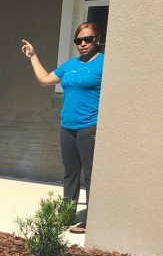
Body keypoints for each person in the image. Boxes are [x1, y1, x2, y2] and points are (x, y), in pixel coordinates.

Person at [20, 23, 105, 233]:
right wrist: (33, 56)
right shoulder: (70, 65)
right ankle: (67, 214)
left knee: (91, 174)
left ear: (97, 39)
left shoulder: (104, 63)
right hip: (67, 126)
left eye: (88, 39)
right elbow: (45, 79)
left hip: (89, 126)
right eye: (79, 40)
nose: (83, 44)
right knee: (70, 172)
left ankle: (92, 220)